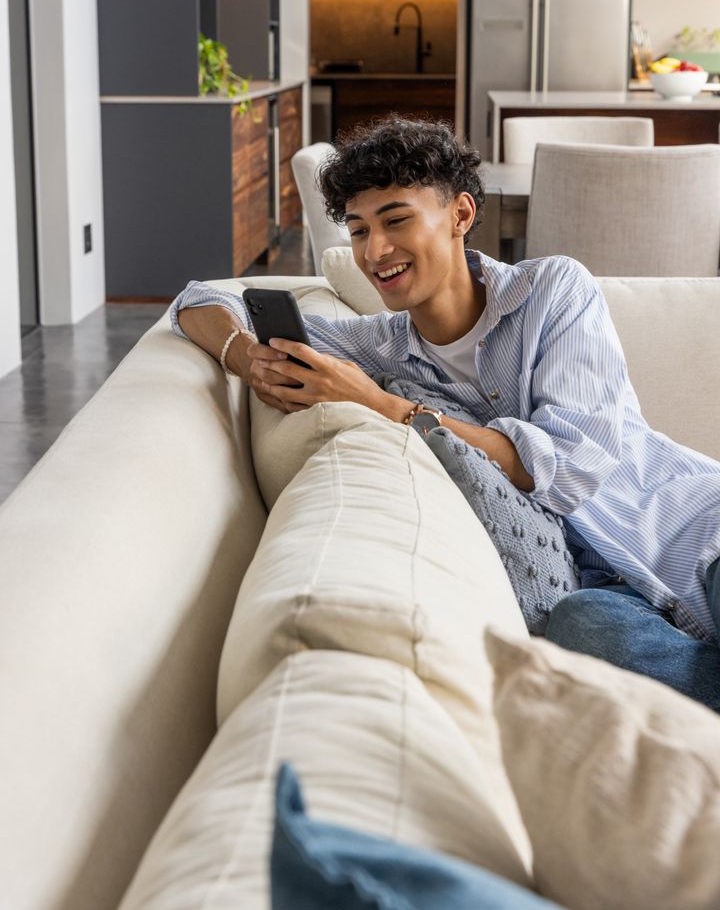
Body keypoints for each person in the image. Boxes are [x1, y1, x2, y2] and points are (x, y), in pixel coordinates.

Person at [172, 116, 720, 710]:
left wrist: (380, 405)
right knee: (580, 628)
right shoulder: (375, 345)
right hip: (603, 592)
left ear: (460, 215)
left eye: (396, 220)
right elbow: (196, 299)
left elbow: (568, 466)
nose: (374, 251)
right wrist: (247, 356)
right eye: (357, 231)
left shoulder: (554, 291)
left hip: (691, 531)